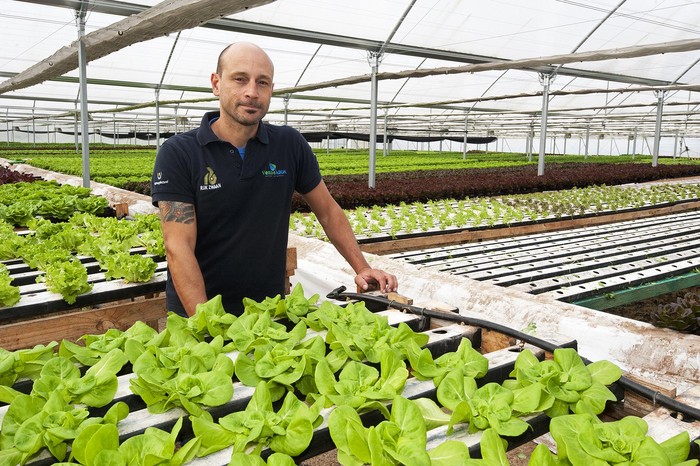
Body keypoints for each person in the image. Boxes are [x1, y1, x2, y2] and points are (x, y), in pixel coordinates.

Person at [151, 42, 398, 317]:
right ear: (216, 83)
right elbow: (178, 247)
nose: (251, 92)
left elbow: (328, 211)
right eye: (240, 79)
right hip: (198, 311)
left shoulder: (289, 145)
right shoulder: (179, 153)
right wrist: (208, 324)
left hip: (268, 310)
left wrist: (362, 267)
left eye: (263, 83)